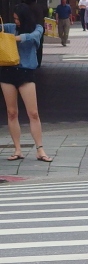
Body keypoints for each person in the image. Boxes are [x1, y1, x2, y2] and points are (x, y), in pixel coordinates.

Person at [2, 20, 50, 162]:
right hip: (7, 72)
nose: (16, 22)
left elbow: (33, 36)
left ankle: (40, 149)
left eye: (18, 18)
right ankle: (17, 149)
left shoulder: (37, 27)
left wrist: (12, 38)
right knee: (11, 113)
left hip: (26, 72)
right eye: (15, 19)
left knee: (33, 113)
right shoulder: (9, 27)